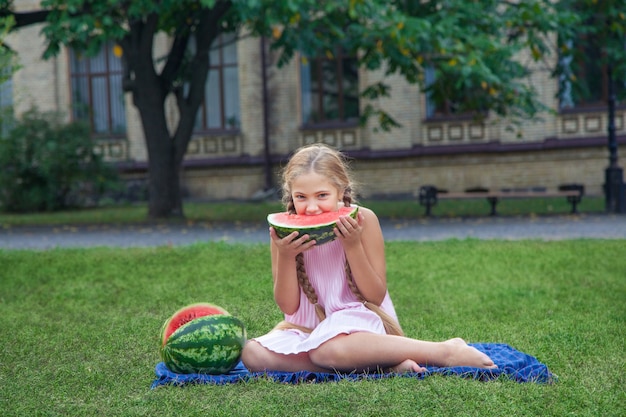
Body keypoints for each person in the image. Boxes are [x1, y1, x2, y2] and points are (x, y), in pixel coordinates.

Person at [241, 144, 496, 374]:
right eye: (301, 197)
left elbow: (374, 295)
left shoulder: (365, 220)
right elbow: (289, 307)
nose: (311, 208)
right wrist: (286, 256)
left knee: (326, 351)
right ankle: (383, 368)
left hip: (357, 321)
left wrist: (352, 245)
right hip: (306, 327)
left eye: (322, 196)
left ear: (340, 191)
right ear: (290, 195)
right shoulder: (284, 232)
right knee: (252, 353)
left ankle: (443, 351)